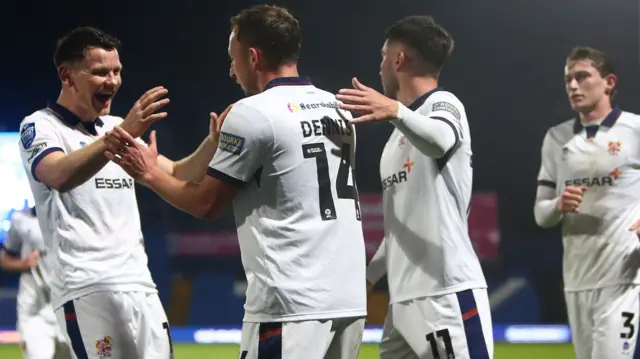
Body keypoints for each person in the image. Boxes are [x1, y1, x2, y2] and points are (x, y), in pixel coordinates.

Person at [104, 5, 367, 359]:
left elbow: (205, 204)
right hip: (349, 299)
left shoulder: (252, 112)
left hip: (291, 303)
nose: (231, 70)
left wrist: (147, 173)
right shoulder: (337, 108)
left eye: (233, 58)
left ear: (254, 57)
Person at [19, 26, 222, 359]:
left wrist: (212, 144)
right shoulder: (41, 126)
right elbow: (59, 175)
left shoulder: (115, 128)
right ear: (67, 75)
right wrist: (123, 132)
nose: (112, 81)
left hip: (140, 283)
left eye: (117, 71)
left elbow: (178, 173)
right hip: (86, 287)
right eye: (100, 72)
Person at [337, 15, 493, 359]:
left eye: (382, 57)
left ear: (398, 59)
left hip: (446, 294)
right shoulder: (398, 137)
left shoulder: (444, 104)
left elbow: (440, 139)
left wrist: (394, 110)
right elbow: (397, 232)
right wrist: (366, 281)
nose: (379, 67)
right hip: (404, 303)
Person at [534, 46, 640, 359]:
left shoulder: (635, 129)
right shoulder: (556, 138)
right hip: (577, 280)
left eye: (582, 77)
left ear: (609, 82)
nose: (573, 85)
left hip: (623, 276)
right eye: (568, 79)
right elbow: (541, 214)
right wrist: (558, 205)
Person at [1, 207, 73, 359]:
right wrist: (23, 264)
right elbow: (5, 259)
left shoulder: (74, 216)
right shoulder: (20, 220)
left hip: (69, 308)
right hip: (35, 310)